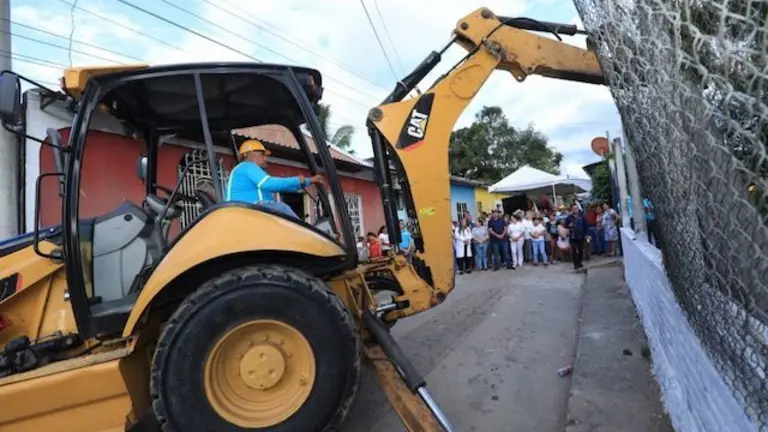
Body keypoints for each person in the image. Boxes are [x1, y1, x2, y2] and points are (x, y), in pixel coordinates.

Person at [226, 139, 325, 219]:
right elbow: (268, 183)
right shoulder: (248, 166)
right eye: (262, 155)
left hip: (247, 209)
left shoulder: (246, 170)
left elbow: (278, 187)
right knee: (283, 209)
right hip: (250, 208)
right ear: (247, 154)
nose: (265, 158)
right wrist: (296, 180)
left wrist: (308, 181)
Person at [564, 204, 587, 270]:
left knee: (581, 250)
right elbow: (565, 225)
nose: (575, 210)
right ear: (572, 209)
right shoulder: (569, 217)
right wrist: (569, 226)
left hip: (581, 235)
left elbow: (585, 225)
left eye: (576, 208)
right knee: (574, 250)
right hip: (573, 236)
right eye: (574, 208)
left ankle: (579, 262)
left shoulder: (582, 216)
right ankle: (575, 264)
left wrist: (587, 234)